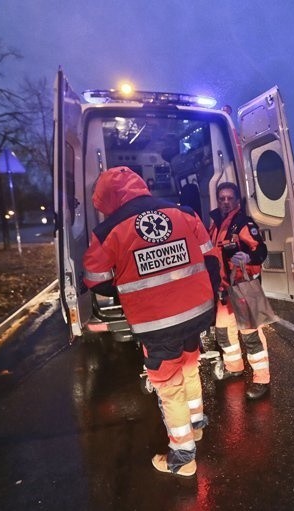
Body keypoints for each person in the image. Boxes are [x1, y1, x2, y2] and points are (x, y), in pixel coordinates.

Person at [83, 166, 221, 477]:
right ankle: (196, 423)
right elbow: (210, 259)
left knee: (168, 386)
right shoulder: (183, 212)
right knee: (189, 366)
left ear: (107, 200)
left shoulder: (108, 232)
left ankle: (183, 457)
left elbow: (96, 279)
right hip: (196, 312)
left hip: (156, 323)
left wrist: (125, 278)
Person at [208, 182, 271, 400]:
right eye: (222, 198)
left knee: (251, 335)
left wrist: (248, 257)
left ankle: (261, 379)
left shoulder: (243, 223)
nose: (225, 202)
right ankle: (234, 367)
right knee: (224, 333)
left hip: (242, 287)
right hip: (224, 290)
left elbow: (261, 251)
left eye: (229, 198)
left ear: (236, 201)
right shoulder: (216, 223)